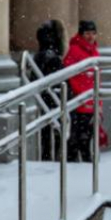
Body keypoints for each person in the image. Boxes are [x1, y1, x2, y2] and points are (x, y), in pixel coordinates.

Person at [62, 20, 101, 162]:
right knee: (77, 140)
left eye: (93, 33)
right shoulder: (74, 50)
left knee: (87, 139)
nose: (91, 36)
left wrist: (99, 104)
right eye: (87, 33)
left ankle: (84, 168)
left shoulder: (95, 52)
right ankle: (77, 169)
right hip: (79, 104)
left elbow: (97, 81)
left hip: (90, 103)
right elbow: (69, 76)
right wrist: (81, 95)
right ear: (81, 34)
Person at [31, 20, 67, 161]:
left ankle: (48, 157)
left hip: (46, 98)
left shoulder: (41, 55)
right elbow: (58, 81)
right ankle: (50, 158)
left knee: (48, 133)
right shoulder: (52, 57)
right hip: (52, 98)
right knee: (52, 133)